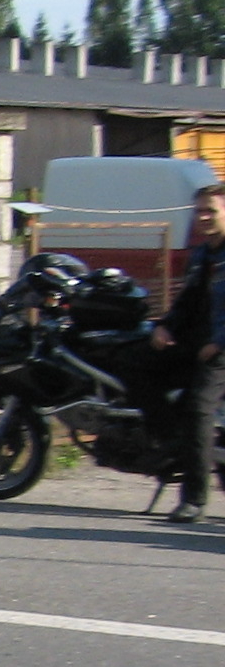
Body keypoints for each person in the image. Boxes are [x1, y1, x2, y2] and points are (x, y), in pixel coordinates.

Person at [149, 182, 225, 523]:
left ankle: (194, 499)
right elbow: (187, 301)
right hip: (197, 342)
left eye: (211, 211)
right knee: (133, 362)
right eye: (199, 211)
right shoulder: (201, 254)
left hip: (220, 348)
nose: (204, 217)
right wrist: (165, 327)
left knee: (198, 409)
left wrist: (219, 342)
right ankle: (165, 446)